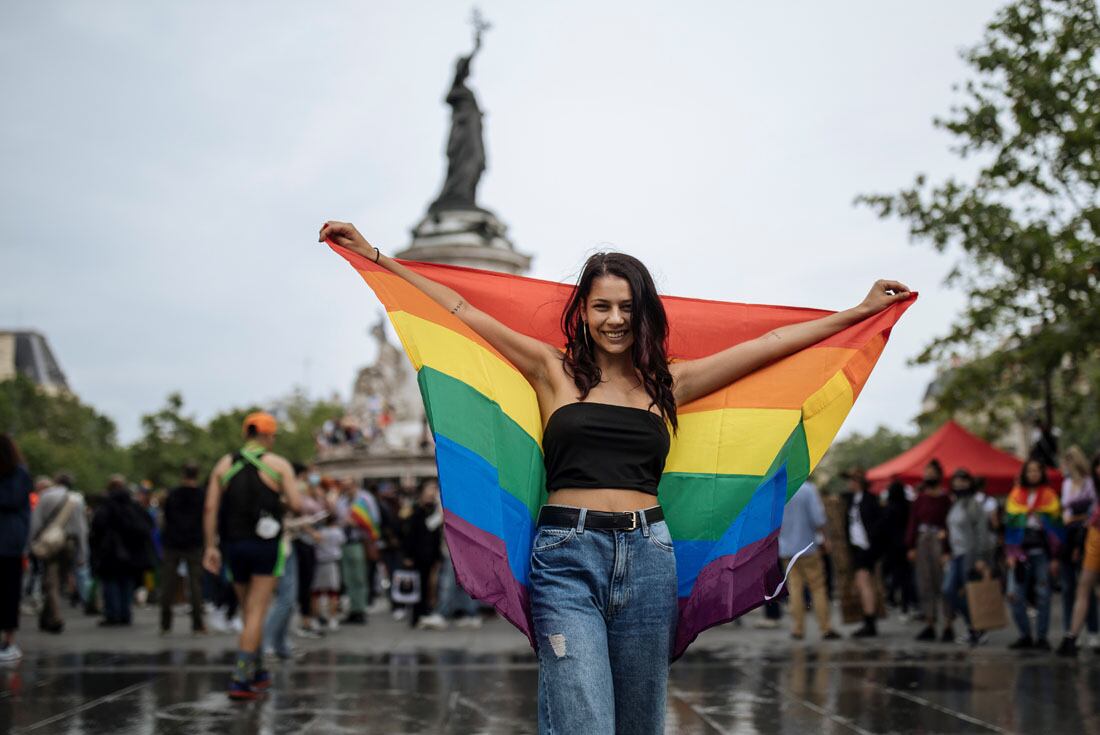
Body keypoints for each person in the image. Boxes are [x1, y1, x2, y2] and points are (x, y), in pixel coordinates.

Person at [320, 220, 909, 733]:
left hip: (649, 556)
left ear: (643, 312)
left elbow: (771, 345)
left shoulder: (667, 385)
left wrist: (857, 314)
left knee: (638, 722)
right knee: (583, 719)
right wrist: (377, 258)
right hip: (566, 557)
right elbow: (461, 311)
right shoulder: (551, 371)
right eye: (602, 306)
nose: (615, 318)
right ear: (584, 310)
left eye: (627, 306)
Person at [203, 412, 302, 700]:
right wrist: (281, 500)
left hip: (233, 545)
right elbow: (296, 504)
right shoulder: (278, 465)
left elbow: (210, 509)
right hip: (265, 546)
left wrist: (210, 546)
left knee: (248, 609)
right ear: (269, 436)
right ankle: (241, 676)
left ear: (246, 434)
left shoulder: (224, 464)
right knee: (257, 610)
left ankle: (257, 671)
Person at [1004, 458, 1063, 650]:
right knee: (1014, 594)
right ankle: (1025, 635)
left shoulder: (1049, 495)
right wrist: (1010, 553)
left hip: (1042, 552)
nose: (1033, 474)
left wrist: (1055, 556)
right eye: (1029, 471)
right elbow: (1010, 526)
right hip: (1019, 552)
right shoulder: (1015, 495)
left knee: (1043, 594)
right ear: (1024, 474)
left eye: (1037, 470)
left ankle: (1042, 637)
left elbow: (1056, 526)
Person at [89, 475, 155, 627]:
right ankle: (125, 613)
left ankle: (113, 614)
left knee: (111, 583)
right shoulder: (133, 506)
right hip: (131, 553)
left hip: (109, 552)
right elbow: (147, 526)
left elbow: (97, 528)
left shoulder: (105, 506)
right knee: (127, 583)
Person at [778, 479, 838, 641]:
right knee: (817, 587)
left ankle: (797, 628)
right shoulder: (808, 489)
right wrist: (826, 539)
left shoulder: (781, 489)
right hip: (808, 547)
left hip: (786, 549)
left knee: (795, 587)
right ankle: (825, 627)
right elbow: (818, 518)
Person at [28, 472, 87, 634]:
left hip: (50, 542)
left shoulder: (46, 496)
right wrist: (82, 553)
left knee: (50, 580)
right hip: (69, 543)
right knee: (58, 581)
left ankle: (54, 617)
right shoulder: (77, 499)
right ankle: (49, 616)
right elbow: (82, 529)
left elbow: (36, 521)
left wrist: (30, 543)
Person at [940, 469, 994, 645]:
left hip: (969, 554)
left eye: (963, 480)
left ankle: (977, 629)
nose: (959, 484)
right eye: (956, 480)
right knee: (948, 590)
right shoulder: (955, 504)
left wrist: (980, 557)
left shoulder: (974, 505)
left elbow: (981, 532)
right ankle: (973, 626)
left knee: (970, 593)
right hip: (956, 555)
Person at [1058, 452, 1100, 656]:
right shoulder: (1070, 484)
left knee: (1084, 589)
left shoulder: (1090, 484)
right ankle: (1071, 636)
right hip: (1089, 536)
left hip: (1088, 533)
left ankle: (1088, 633)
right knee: (1080, 587)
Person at [906, 459, 952, 642]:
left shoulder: (945, 498)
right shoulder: (920, 499)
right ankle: (930, 623)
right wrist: (910, 545)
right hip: (923, 540)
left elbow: (951, 522)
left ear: (939, 475)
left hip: (940, 542)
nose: (929, 476)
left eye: (932, 473)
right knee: (925, 583)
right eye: (926, 473)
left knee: (943, 584)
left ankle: (948, 624)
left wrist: (948, 546)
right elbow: (913, 522)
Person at [160, 462, 207, 634]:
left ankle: (165, 623)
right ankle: (197, 623)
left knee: (168, 584)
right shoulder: (201, 495)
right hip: (194, 542)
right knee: (195, 584)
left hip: (173, 542)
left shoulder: (172, 494)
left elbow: (166, 517)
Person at [0, 434, 32, 663]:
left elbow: (11, 500)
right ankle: (8, 640)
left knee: (10, 591)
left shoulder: (17, 474)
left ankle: (8, 640)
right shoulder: (19, 474)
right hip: (11, 540)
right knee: (10, 591)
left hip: (9, 541)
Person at [843, 469, 885, 638]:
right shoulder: (851, 500)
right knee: (865, 583)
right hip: (857, 547)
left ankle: (870, 620)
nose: (849, 484)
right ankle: (869, 619)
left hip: (866, 547)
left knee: (864, 583)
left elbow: (879, 523)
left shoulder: (871, 500)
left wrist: (873, 544)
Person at [880, 479, 917, 617]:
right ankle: (907, 603)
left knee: (896, 575)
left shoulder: (889, 508)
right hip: (906, 546)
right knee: (906, 576)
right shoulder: (908, 507)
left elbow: (884, 527)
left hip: (892, 548)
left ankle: (893, 599)